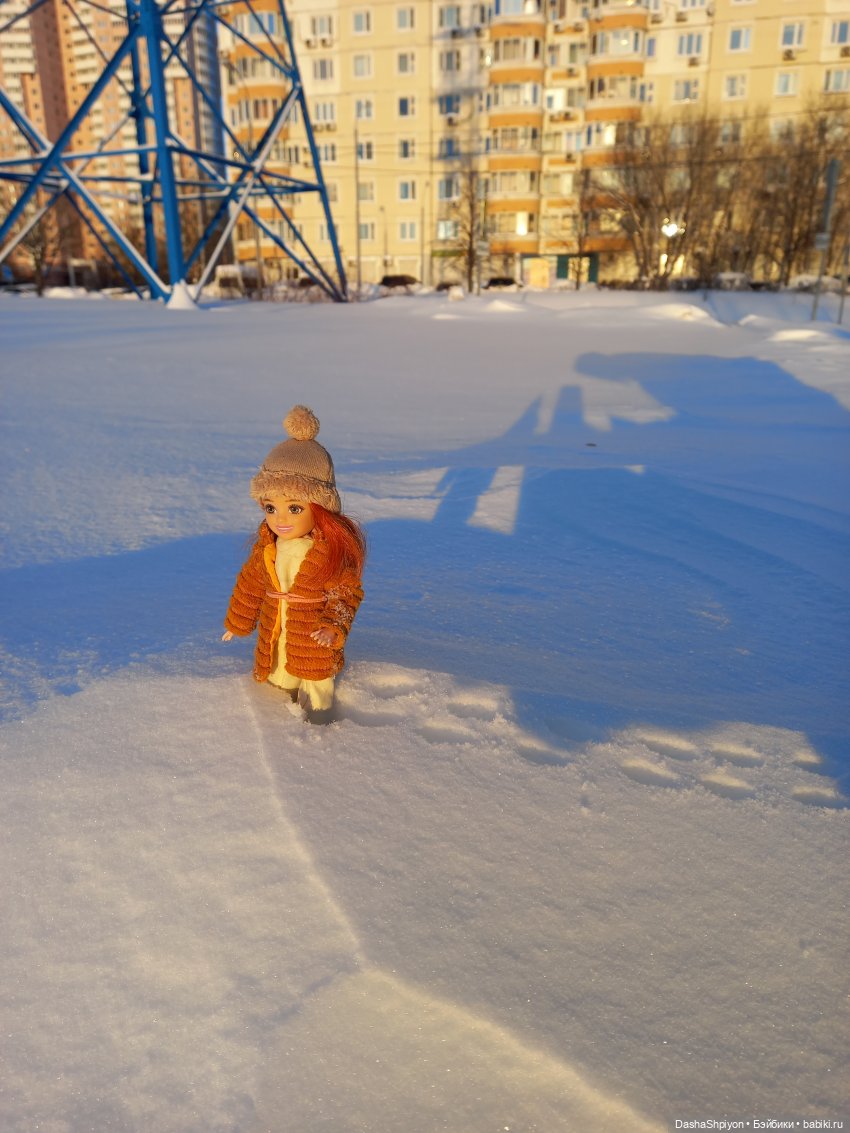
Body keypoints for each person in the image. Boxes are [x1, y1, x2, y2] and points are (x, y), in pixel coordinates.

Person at [222, 405, 365, 724]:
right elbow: (250, 586)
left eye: (295, 508)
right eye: (271, 507)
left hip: (313, 634)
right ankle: (278, 719)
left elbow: (347, 594)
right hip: (277, 627)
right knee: (277, 673)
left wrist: (332, 626)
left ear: (322, 509)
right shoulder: (267, 548)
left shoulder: (329, 552)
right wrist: (237, 623)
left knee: (315, 682)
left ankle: (319, 724)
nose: (280, 519)